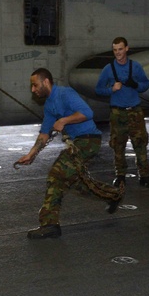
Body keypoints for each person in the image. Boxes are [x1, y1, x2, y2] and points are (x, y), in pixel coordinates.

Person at [16, 68, 125, 239]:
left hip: (89, 140)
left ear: (46, 82)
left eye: (35, 85)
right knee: (75, 183)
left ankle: (50, 224)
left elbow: (87, 113)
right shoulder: (49, 105)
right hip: (78, 143)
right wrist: (31, 155)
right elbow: (44, 134)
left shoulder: (65, 94)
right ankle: (113, 194)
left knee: (56, 174)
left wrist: (64, 120)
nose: (33, 89)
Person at [95, 37, 149, 188]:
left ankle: (145, 176)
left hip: (135, 111)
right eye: (115, 50)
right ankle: (120, 175)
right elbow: (98, 89)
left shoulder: (136, 67)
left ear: (126, 49)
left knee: (140, 144)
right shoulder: (108, 69)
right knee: (118, 146)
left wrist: (136, 84)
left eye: (120, 49)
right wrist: (111, 89)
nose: (118, 53)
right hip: (117, 113)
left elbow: (146, 84)